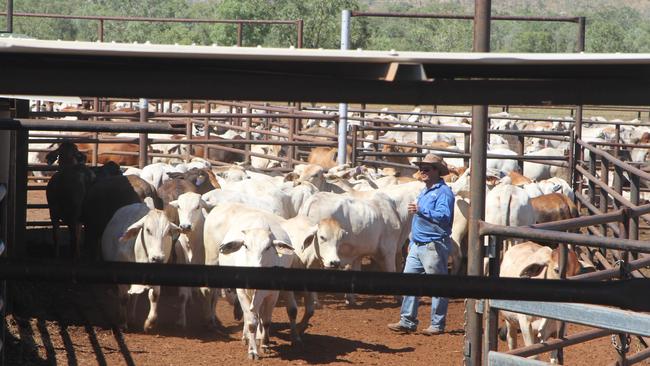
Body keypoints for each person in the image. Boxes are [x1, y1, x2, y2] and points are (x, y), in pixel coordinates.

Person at [387, 153, 454, 336]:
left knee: (437, 285)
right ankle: (407, 320)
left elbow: (444, 216)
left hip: (433, 244)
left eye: (426, 169)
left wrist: (421, 209)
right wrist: (412, 239)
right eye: (421, 168)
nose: (422, 171)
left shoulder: (443, 192)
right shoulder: (425, 190)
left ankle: (437, 324)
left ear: (436, 171)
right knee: (409, 282)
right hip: (418, 244)